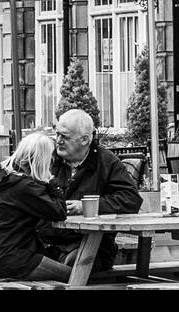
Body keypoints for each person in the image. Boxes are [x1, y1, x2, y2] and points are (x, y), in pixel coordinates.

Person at [37, 108, 142, 279]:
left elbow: (131, 200)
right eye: (57, 134)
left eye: (65, 136)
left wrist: (85, 206)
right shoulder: (47, 159)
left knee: (76, 265)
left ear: (85, 139)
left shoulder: (106, 162)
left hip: (91, 245)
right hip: (45, 243)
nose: (58, 141)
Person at [0, 132, 72, 283]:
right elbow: (59, 211)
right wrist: (51, 181)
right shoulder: (24, 186)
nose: (52, 163)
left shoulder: (5, 178)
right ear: (42, 159)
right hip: (15, 260)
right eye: (50, 159)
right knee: (77, 278)